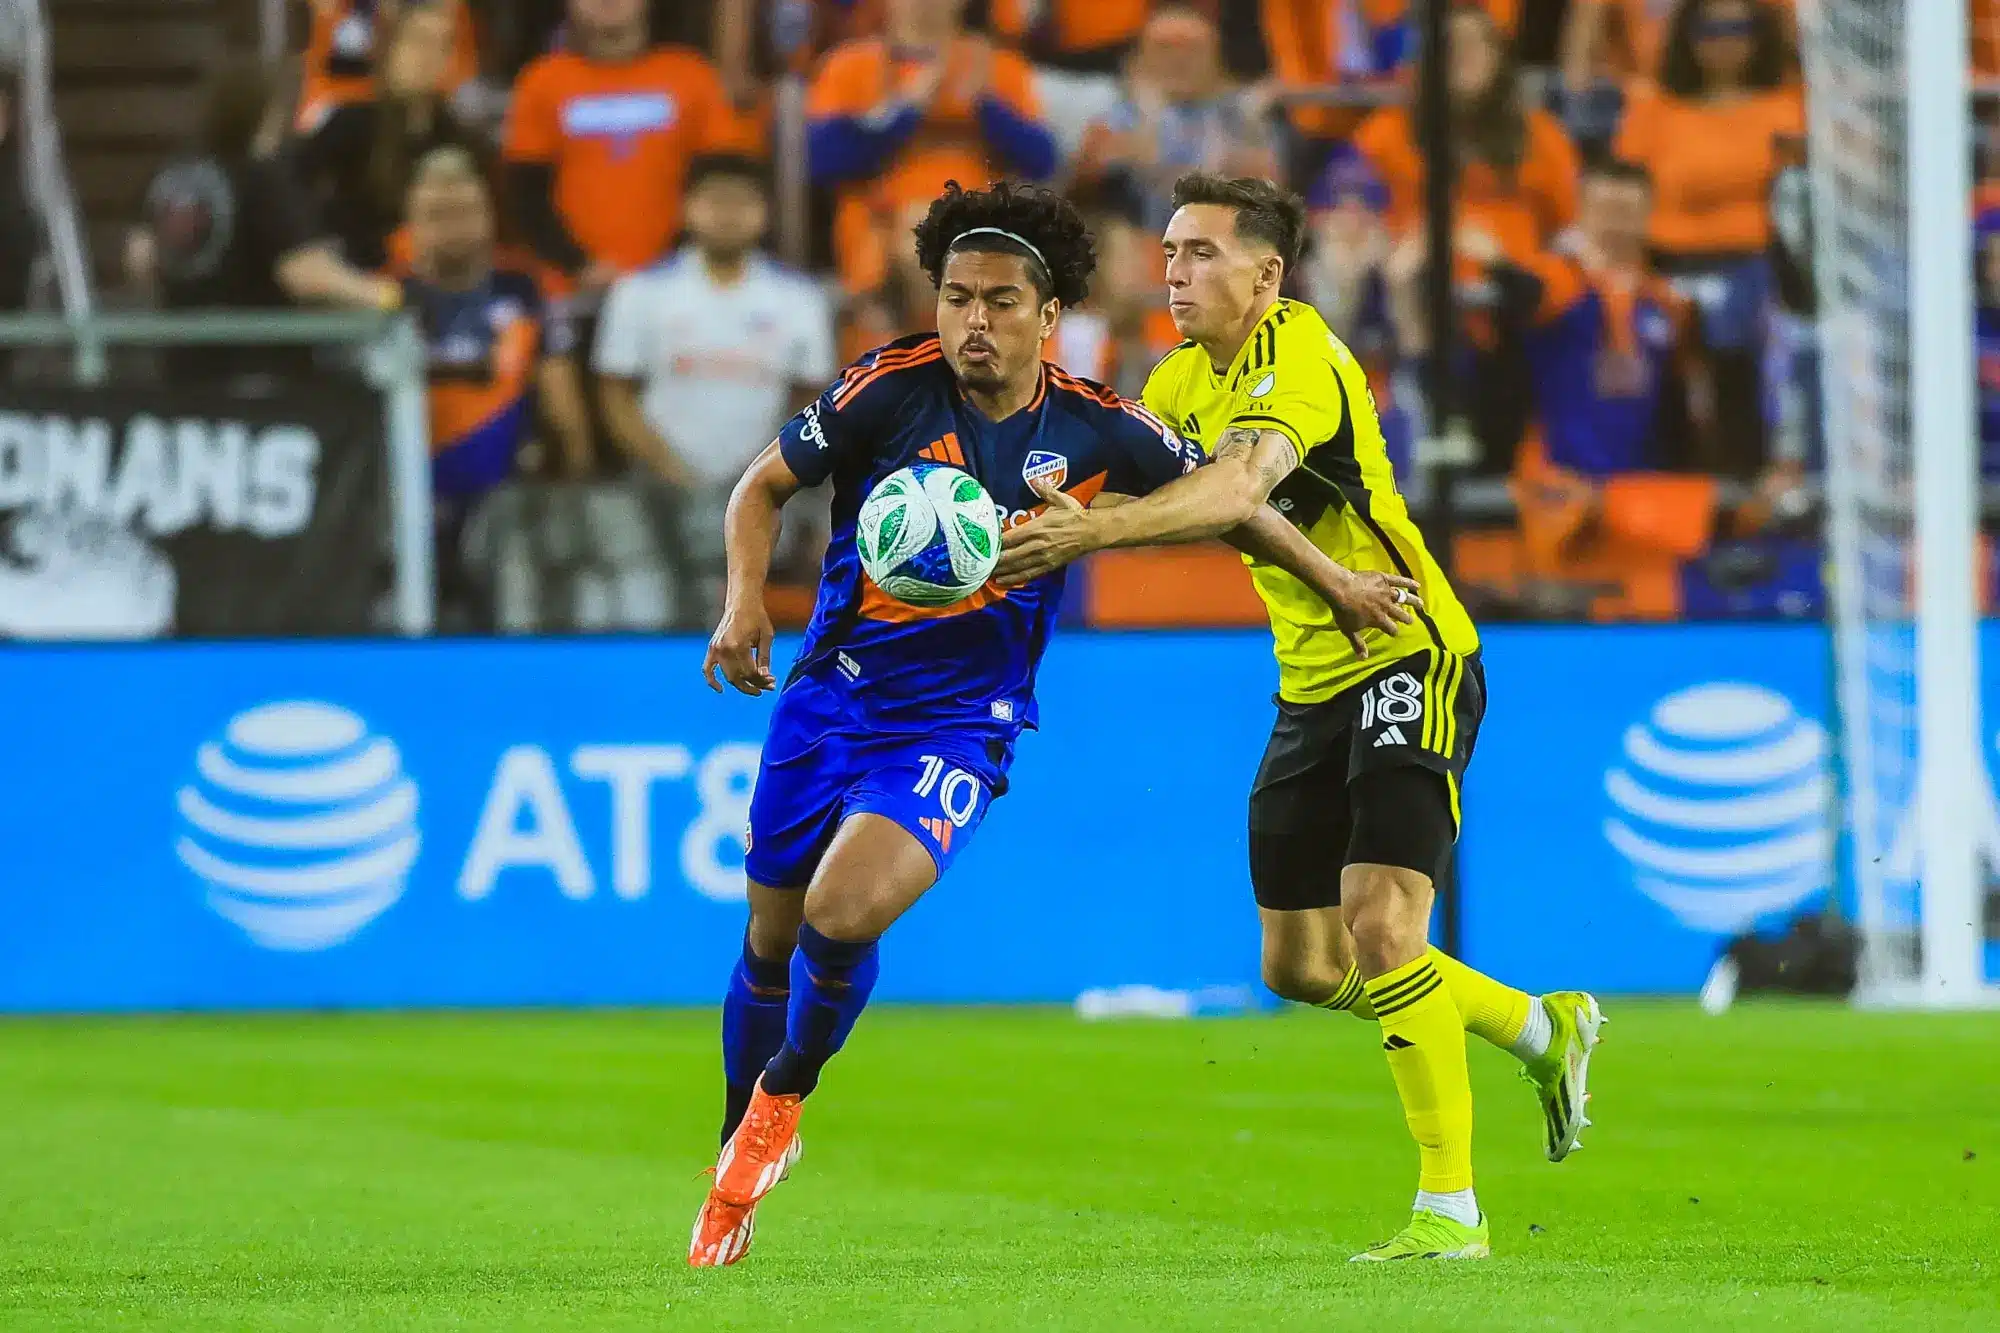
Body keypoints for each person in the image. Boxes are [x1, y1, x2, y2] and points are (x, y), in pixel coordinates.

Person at [687, 180, 1420, 1268]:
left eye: (995, 302)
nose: (970, 322)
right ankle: (735, 1131)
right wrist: (744, 601)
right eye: (953, 298)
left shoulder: (1097, 424)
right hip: (829, 696)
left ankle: (780, 1103)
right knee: (770, 938)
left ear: (1048, 314)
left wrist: (1336, 580)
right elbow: (761, 488)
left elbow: (1241, 507)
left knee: (843, 915)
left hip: (956, 721)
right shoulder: (884, 391)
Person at [993, 173, 1605, 1261]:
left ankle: (1447, 1212)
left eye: (1201, 254)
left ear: (1265, 273)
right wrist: (1057, 515)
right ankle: (1532, 1024)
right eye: (1169, 253)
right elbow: (1159, 502)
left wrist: (1086, 537)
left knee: (1382, 926)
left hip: (1407, 645)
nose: (1173, 273)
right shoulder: (1177, 380)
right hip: (1311, 677)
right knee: (1301, 966)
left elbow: (1235, 491)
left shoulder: (1301, 354)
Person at [593, 153, 836, 620]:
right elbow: (615, 395)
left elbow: (811, 401)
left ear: (763, 212)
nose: (727, 214)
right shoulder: (640, 292)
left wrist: (763, 473)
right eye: (714, 201)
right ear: (688, 209)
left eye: (741, 202)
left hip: (767, 482)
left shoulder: (800, 299)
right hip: (657, 484)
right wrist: (669, 470)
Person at [504, 0, 729, 466]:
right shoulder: (543, 81)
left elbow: (718, 181)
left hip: (675, 292)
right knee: (577, 446)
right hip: (571, 293)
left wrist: (666, 268)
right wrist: (580, 265)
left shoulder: (690, 76)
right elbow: (523, 196)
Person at [1613, 0, 1800, 475]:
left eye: (1738, 27)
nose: (1723, 41)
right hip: (1668, 265)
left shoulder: (1790, 107)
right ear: (1686, 36)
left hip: (1762, 266)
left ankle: (1746, 482)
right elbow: (1624, 195)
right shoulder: (1653, 109)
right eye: (1709, 29)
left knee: (1745, 321)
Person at [133, 56, 401, 383]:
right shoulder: (262, 179)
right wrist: (385, 295)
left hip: (183, 368)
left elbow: (140, 262)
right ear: (265, 113)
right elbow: (305, 274)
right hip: (259, 374)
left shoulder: (171, 177)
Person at [402, 147, 561, 630]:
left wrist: (566, 454)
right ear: (410, 224)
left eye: (466, 212)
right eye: (437, 214)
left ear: (490, 217)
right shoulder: (386, 299)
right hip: (408, 501)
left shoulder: (523, 291)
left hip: (505, 501)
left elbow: (558, 390)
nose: (453, 226)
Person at [806, 0, 1056, 300]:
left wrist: (986, 107)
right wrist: (904, 112)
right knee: (921, 234)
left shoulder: (998, 66)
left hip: (983, 229)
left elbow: (1043, 162)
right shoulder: (850, 64)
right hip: (879, 234)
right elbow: (823, 162)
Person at [295, 3, 488, 272]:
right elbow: (297, 189)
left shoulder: (460, 138)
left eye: (441, 46)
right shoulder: (350, 125)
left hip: (439, 276)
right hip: (365, 277)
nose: (429, 56)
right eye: (419, 41)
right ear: (390, 49)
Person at [1073, 3, 1281, 234]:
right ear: (1140, 58)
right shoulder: (1117, 114)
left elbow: (1271, 190)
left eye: (1192, 49)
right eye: (1165, 48)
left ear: (1217, 57)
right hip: (1137, 239)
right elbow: (1084, 186)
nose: (1179, 60)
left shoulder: (1244, 115)